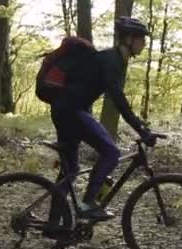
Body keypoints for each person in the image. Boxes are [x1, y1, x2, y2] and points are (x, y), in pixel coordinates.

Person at [48, 16, 156, 226]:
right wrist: (140, 129)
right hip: (71, 111)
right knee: (111, 152)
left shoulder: (114, 59)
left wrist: (139, 125)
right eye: (142, 39)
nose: (144, 43)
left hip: (66, 110)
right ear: (129, 39)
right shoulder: (111, 59)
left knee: (70, 171)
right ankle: (89, 203)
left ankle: (53, 224)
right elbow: (117, 98)